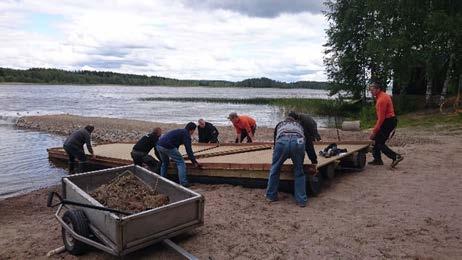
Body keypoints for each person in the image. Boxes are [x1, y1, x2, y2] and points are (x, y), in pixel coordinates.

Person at [266, 116, 307, 207]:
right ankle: (301, 201)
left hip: (282, 141)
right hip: (298, 142)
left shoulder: (280, 125)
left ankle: (271, 196)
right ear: (294, 121)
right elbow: (306, 142)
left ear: (285, 121)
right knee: (299, 171)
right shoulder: (299, 125)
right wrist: (312, 159)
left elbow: (275, 141)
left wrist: (276, 156)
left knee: (275, 169)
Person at [368, 82, 404, 167]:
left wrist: (374, 131)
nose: (371, 92)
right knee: (376, 141)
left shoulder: (381, 100)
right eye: (370, 90)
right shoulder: (382, 95)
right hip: (388, 120)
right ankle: (377, 160)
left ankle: (396, 157)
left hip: (388, 122)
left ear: (378, 89)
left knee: (379, 142)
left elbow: (381, 119)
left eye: (372, 90)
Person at [156, 122, 201, 187]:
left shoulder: (180, 131)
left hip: (159, 145)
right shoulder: (186, 135)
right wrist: (194, 162)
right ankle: (184, 183)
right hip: (167, 146)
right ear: (192, 130)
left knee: (165, 163)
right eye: (193, 131)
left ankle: (163, 180)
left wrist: (173, 156)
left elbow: (175, 146)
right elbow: (189, 150)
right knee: (181, 162)